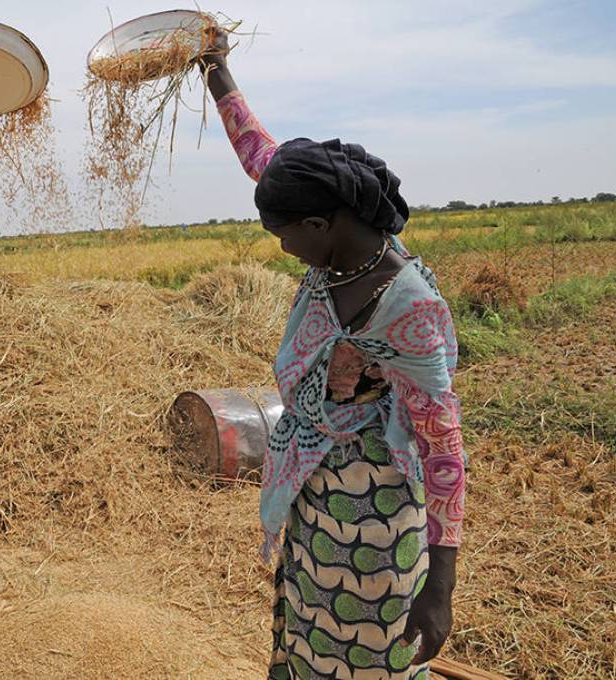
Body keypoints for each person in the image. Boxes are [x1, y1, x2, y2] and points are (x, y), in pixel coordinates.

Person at [199, 30, 466, 680]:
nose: (283, 249)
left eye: (284, 237)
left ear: (320, 225)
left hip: (376, 521)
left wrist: (439, 589)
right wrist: (215, 69)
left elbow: (444, 448)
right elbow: (261, 153)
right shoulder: (327, 221)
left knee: (364, 661)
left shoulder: (405, 310)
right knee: (306, 644)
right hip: (315, 486)